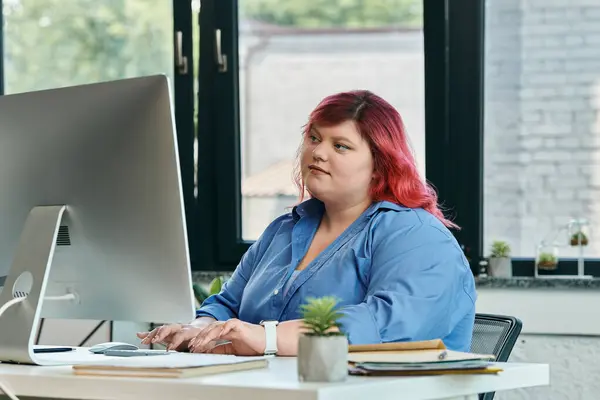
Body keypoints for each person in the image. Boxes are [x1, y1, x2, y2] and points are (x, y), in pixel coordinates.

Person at [137, 90, 477, 356]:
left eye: (340, 146)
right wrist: (201, 328)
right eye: (314, 138)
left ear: (380, 165)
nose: (318, 152)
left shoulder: (417, 235)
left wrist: (266, 337)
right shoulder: (283, 230)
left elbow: (381, 324)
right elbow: (228, 303)